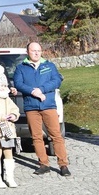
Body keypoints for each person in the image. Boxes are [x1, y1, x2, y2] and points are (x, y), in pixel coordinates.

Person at [13, 42, 71, 177]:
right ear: (28, 52)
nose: (36, 53)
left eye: (38, 50)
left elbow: (56, 80)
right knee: (36, 137)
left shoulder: (49, 66)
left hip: (48, 105)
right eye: (33, 50)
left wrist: (42, 89)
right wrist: (33, 91)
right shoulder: (21, 68)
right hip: (31, 107)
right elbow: (18, 83)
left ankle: (63, 165)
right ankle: (43, 164)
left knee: (56, 136)